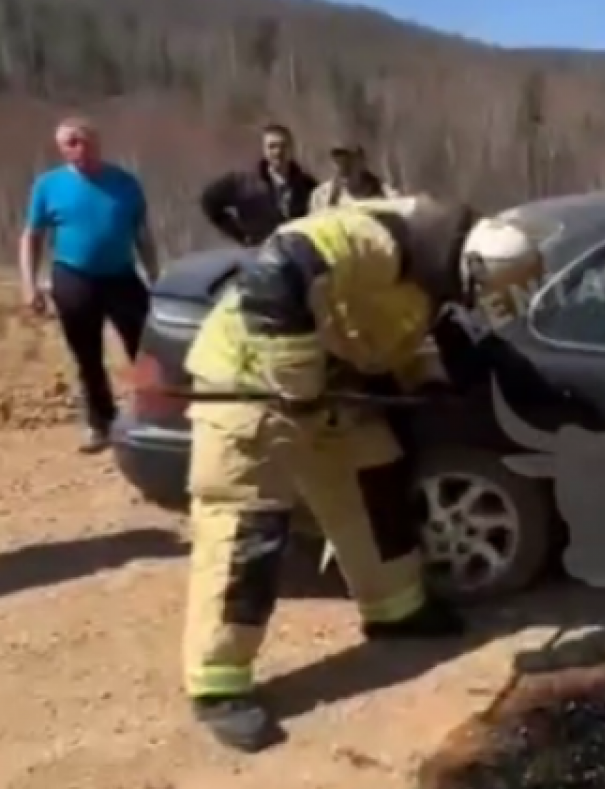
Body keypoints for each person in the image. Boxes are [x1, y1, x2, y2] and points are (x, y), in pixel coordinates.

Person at [182, 195, 482, 753]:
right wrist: (295, 372)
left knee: (377, 480)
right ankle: (218, 682)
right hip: (250, 385)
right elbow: (279, 269)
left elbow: (402, 332)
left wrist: (431, 381)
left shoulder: (424, 281)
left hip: (329, 391)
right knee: (245, 527)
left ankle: (395, 607)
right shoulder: (368, 239)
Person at [19, 116, 160, 453]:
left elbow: (142, 234)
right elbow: (33, 236)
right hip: (74, 275)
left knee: (146, 347)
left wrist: (154, 274)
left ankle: (155, 416)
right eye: (70, 143)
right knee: (87, 353)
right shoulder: (48, 185)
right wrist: (29, 284)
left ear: (97, 142)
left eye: (84, 141)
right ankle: (102, 422)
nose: (79, 149)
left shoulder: (125, 183)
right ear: (62, 149)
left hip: (122, 276)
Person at [199, 122, 317, 246]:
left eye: (283, 146)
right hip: (259, 255)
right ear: (264, 150)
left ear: (291, 148)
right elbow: (208, 201)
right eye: (272, 146)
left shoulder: (307, 185)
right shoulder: (243, 182)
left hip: (297, 256)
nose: (278, 151)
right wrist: (240, 235)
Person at [309, 140, 400, 211]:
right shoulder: (320, 196)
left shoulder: (387, 195)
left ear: (362, 160)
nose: (344, 168)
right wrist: (332, 199)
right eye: (338, 161)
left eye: (350, 160)